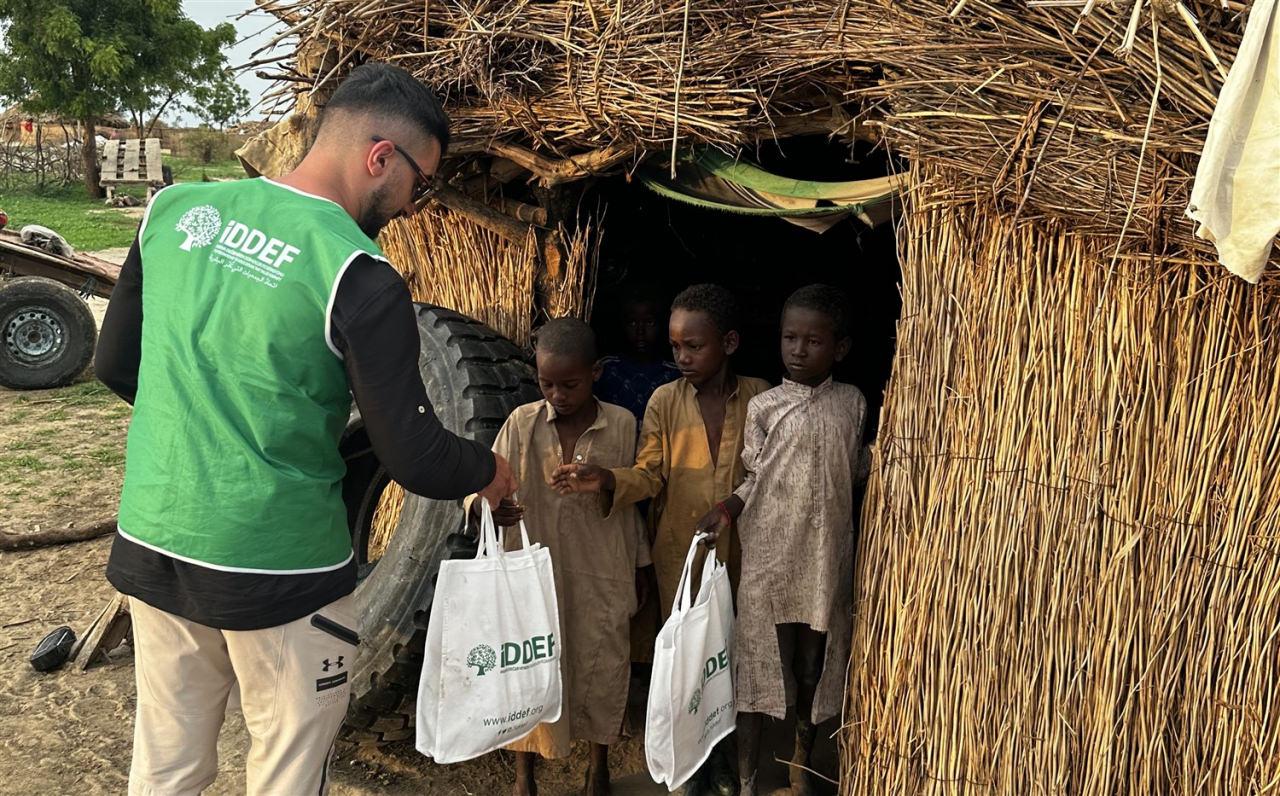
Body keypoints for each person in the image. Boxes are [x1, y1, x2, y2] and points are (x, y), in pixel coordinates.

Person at [94, 63, 517, 795]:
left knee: (166, 768)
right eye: (422, 184)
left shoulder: (173, 212)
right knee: (287, 774)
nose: (416, 206)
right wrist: (491, 472)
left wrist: (203, 429)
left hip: (155, 539)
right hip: (279, 572)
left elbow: (116, 366)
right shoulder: (356, 272)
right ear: (380, 156)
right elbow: (412, 454)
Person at [553, 283, 770, 795]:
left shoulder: (761, 396)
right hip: (682, 554)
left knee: (730, 656)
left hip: (746, 555)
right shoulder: (665, 401)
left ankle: (723, 761)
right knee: (689, 662)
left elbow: (768, 471)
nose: (682, 356)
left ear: (730, 343)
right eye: (676, 347)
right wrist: (609, 478)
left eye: (694, 346)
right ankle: (691, 765)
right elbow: (651, 474)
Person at [696, 285, 870, 796]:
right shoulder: (766, 407)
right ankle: (748, 780)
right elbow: (755, 475)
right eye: (789, 338)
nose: (797, 350)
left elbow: (858, 471)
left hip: (823, 556)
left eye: (813, 341)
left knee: (812, 663)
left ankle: (801, 760)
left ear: (839, 349)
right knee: (755, 665)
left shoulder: (852, 403)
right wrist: (728, 508)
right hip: (770, 554)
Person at [467, 318, 650, 796]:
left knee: (602, 663)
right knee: (528, 664)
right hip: (532, 571)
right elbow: (479, 488)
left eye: (569, 384)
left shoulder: (622, 423)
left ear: (595, 373)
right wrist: (490, 507)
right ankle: (524, 776)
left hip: (601, 570)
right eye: (547, 384)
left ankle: (598, 767)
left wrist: (641, 564)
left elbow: (636, 499)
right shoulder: (521, 423)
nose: (557, 395)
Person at [595, 287, 680, 433]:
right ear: (622, 325)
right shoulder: (606, 369)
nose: (640, 331)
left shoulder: (674, 374)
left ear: (662, 325)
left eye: (649, 322)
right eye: (632, 323)